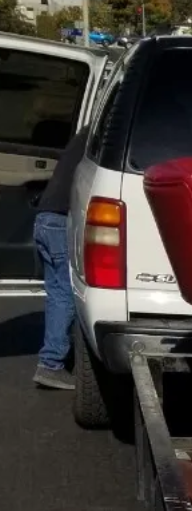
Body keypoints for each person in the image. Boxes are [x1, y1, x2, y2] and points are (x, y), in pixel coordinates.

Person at [33, 125, 90, 391]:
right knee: (66, 294)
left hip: (44, 218)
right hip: (60, 221)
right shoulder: (101, 135)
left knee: (56, 292)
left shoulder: (83, 137)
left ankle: (53, 360)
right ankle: (51, 363)